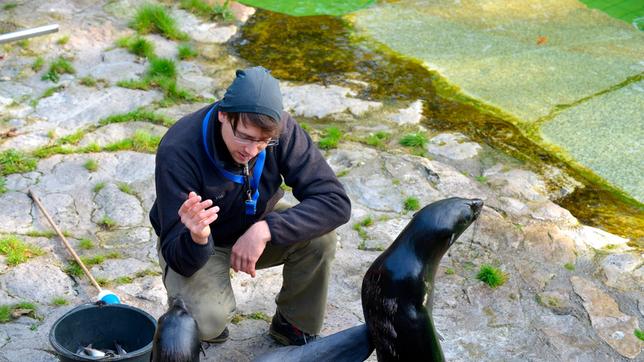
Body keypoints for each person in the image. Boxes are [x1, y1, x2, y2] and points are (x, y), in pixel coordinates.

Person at [149, 66, 351, 346]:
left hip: (254, 225)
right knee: (203, 322)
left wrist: (266, 230)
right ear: (223, 114)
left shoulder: (282, 131)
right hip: (198, 241)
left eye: (263, 141)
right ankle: (210, 319)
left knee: (322, 238)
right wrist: (197, 236)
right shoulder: (179, 149)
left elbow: (335, 202)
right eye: (243, 136)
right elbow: (175, 251)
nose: (251, 150)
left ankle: (293, 324)